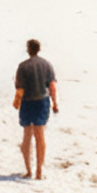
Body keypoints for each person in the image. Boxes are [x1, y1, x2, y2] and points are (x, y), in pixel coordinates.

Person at [13, 39, 59, 180]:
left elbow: (20, 89)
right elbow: (52, 86)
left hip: (27, 102)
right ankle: (39, 171)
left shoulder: (22, 66)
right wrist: (55, 103)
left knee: (27, 135)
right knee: (40, 135)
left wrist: (16, 102)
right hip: (42, 102)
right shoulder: (46, 64)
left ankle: (28, 170)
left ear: (28, 49)